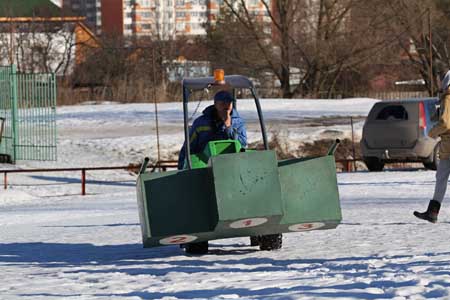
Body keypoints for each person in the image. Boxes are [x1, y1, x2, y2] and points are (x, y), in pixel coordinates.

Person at [177, 90, 247, 169]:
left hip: (231, 165)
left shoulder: (238, 122)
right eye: (223, 103)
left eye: (229, 103)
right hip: (204, 165)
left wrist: (228, 127)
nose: (226, 106)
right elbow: (188, 147)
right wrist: (181, 167)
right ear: (215, 104)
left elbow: (243, 144)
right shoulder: (201, 122)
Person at [414, 70, 450, 223]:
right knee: (440, 177)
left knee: (441, 177)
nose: (437, 82)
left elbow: (445, 123)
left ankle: (433, 212)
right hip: (447, 147)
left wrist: (432, 132)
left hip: (448, 145)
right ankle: (432, 211)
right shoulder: (445, 97)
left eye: (438, 80)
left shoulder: (448, 97)